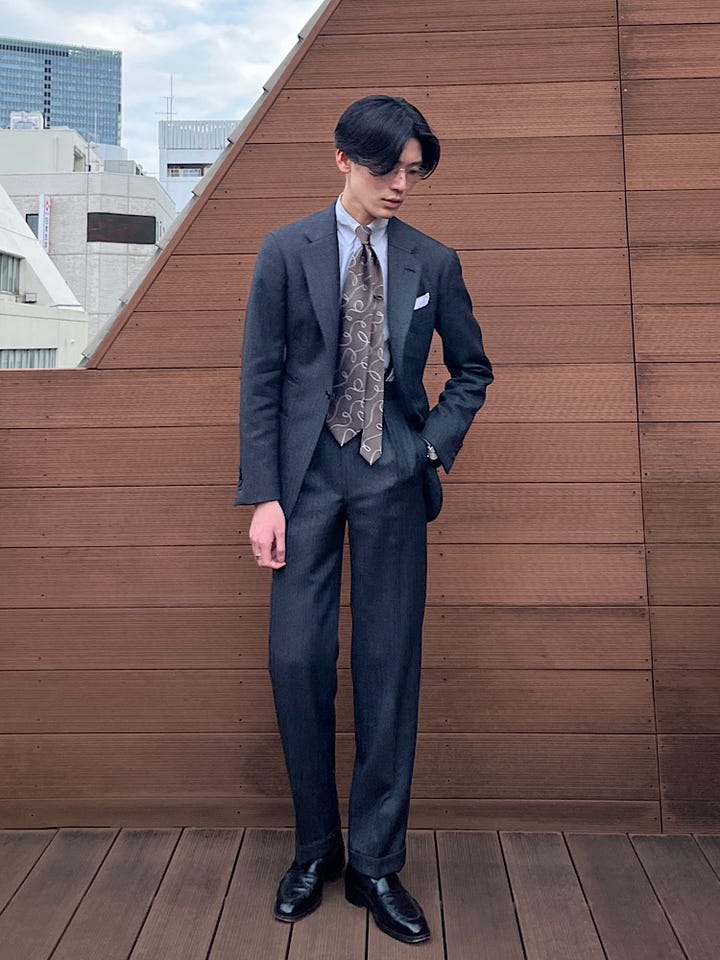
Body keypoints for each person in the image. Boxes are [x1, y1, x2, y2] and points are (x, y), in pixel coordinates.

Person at [235, 94, 493, 945]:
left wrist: (429, 451)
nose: (400, 185)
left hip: (392, 474)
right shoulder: (286, 250)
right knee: (297, 660)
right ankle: (317, 850)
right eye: (387, 168)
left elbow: (472, 370)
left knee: (388, 667)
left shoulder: (434, 261)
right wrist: (264, 495)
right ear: (343, 158)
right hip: (305, 479)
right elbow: (262, 379)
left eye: (412, 171)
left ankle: (377, 863)